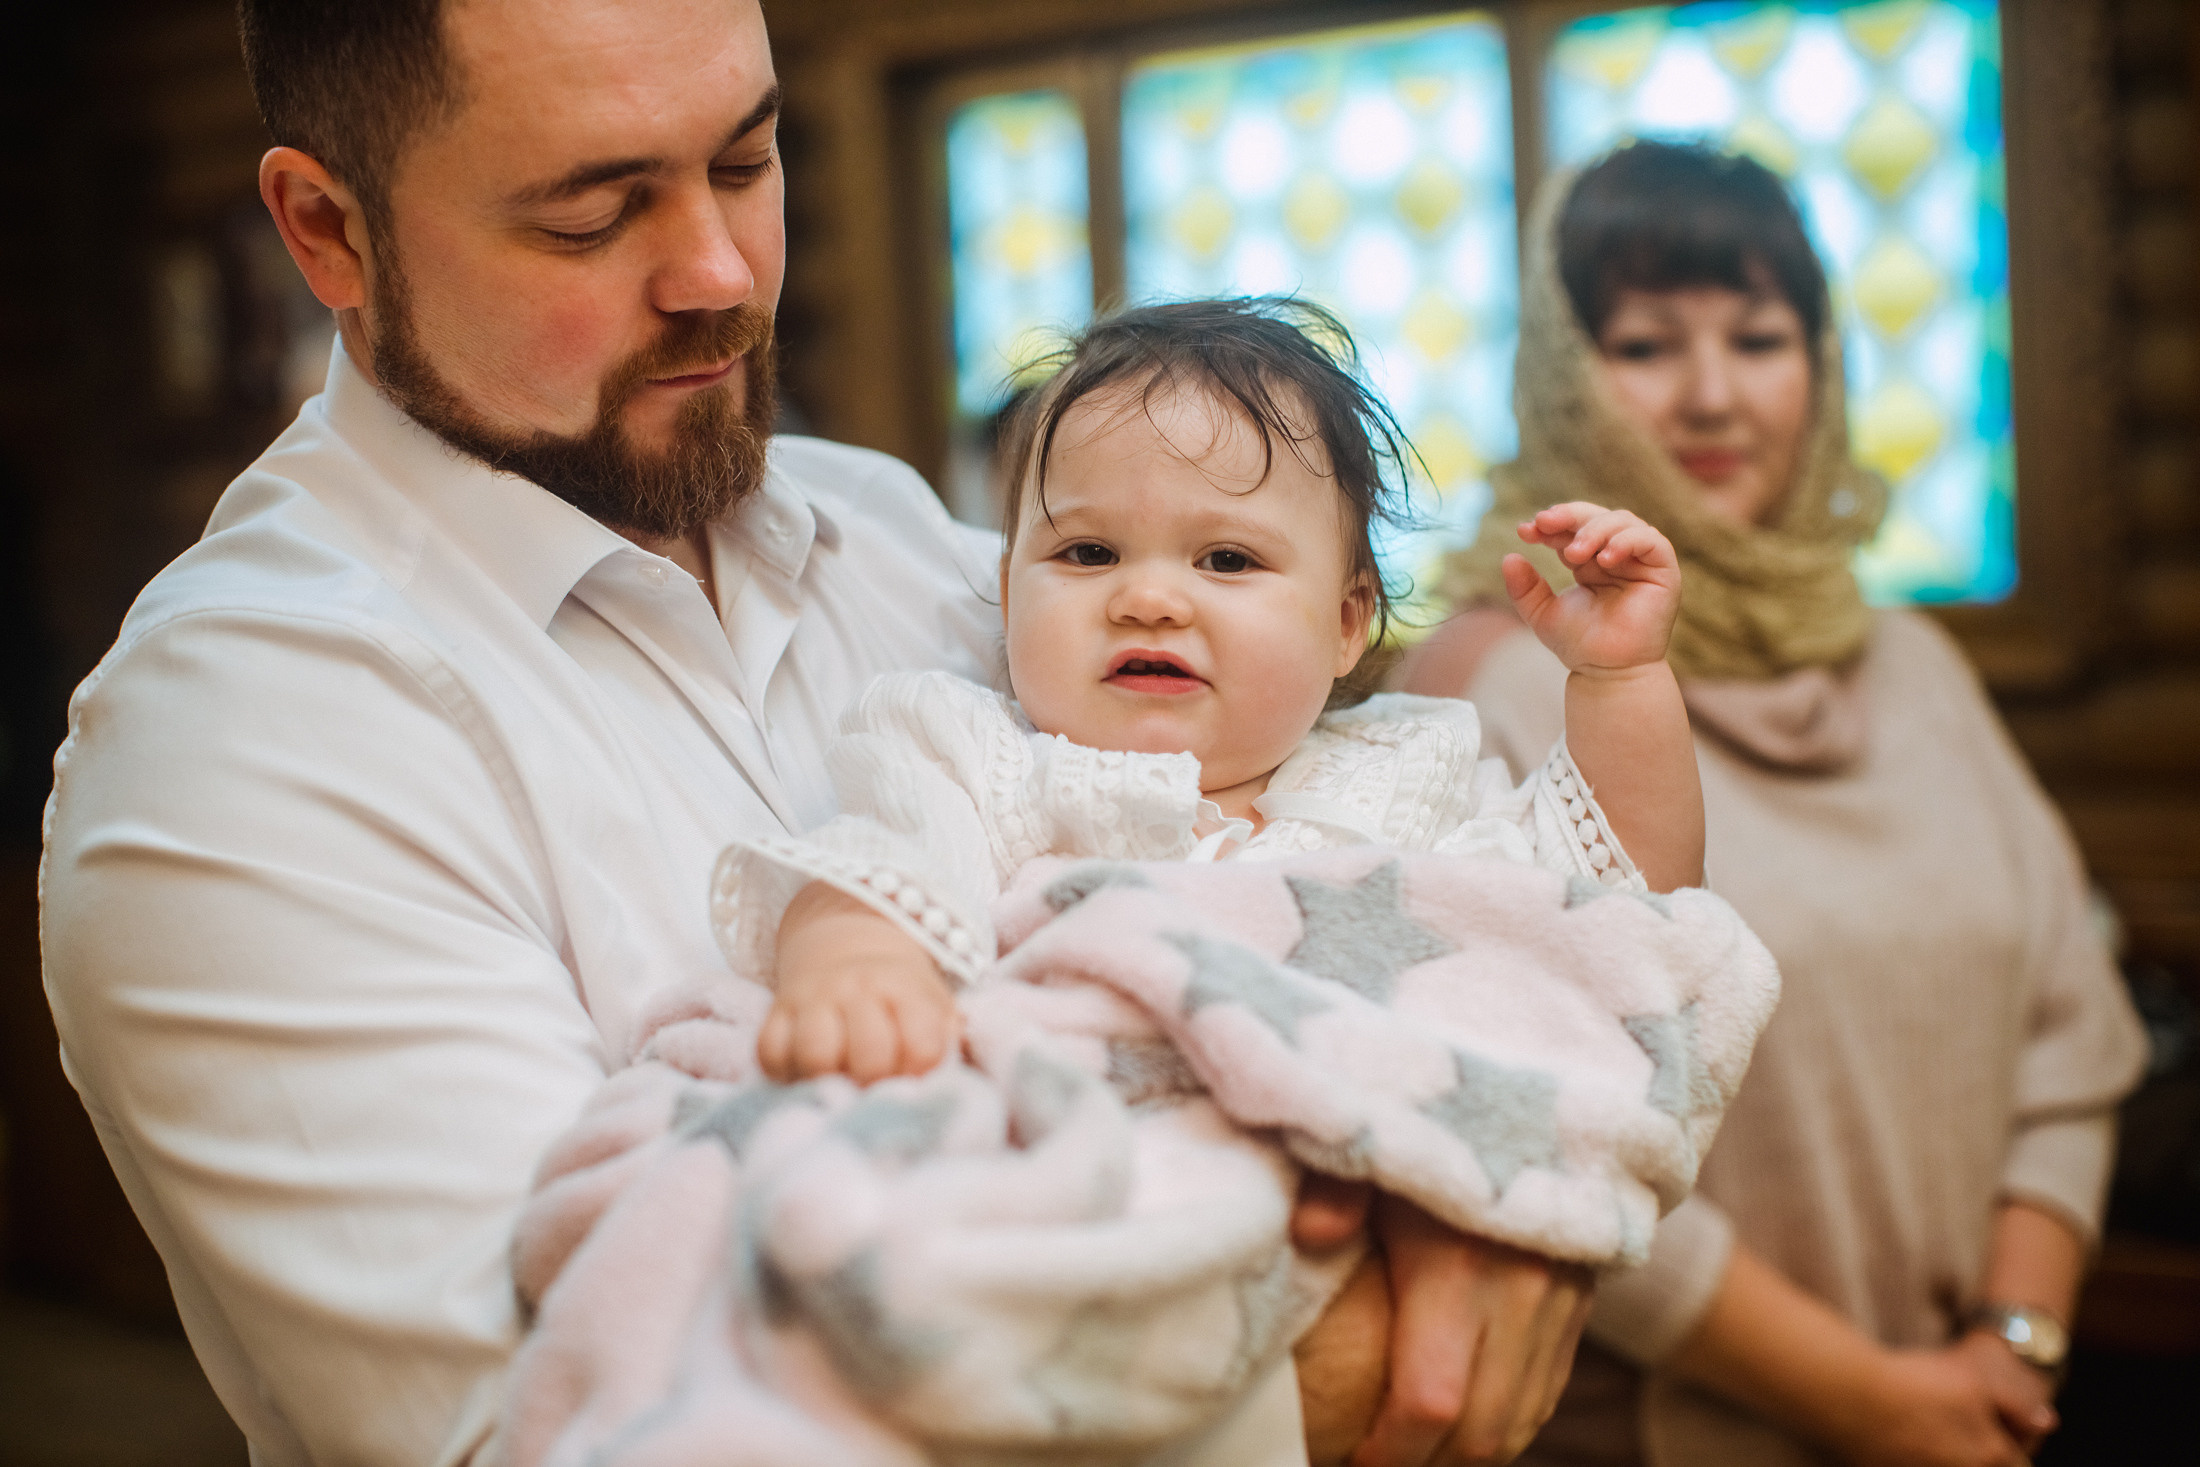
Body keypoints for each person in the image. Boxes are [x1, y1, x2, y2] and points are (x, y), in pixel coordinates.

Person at [38, 4, 1587, 1464]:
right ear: (331, 230)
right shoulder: (235, 748)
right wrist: (1364, 1335)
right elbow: (567, 1426)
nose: (719, 267)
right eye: (593, 212)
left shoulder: (891, 529)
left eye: (746, 160)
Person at [1399, 141, 2149, 1467]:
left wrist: (2011, 1348)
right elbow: (1505, 1110)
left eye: (1758, 336)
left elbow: (2069, 1025)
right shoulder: (1489, 683)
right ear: (1561, 379)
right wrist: (1871, 1400)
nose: (1711, 395)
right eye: (1641, 345)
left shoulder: (1908, 661)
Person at [747, 296, 1704, 1085]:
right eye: (1088, 552)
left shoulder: (1411, 776)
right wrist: (858, 970)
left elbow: (1621, 899)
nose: (1150, 597)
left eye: (1228, 559)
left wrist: (1620, 679)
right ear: (1006, 591)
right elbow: (871, 869)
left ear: (1344, 620)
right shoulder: (978, 762)